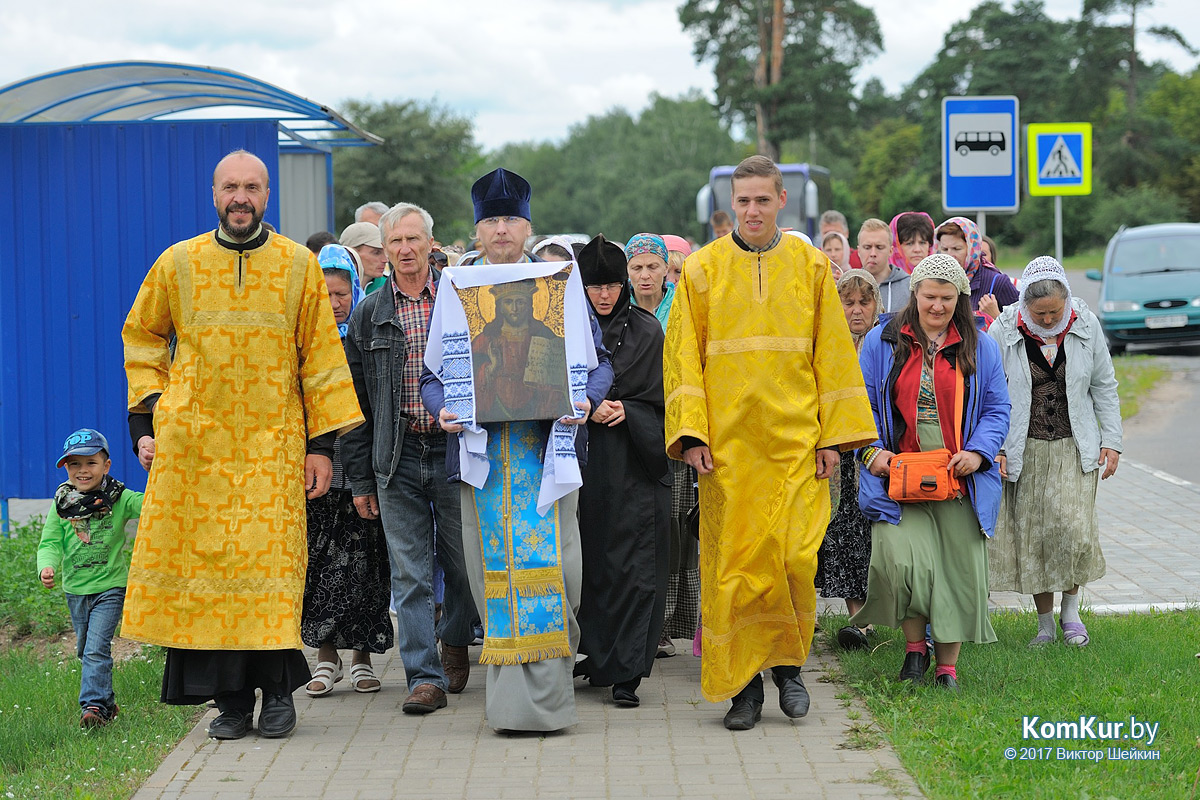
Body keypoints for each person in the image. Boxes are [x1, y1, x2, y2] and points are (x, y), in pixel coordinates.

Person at [121, 149, 363, 740]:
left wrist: (322, 447)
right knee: (208, 576)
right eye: (231, 187)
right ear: (213, 195)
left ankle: (277, 696)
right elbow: (142, 335)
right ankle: (228, 702)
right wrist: (150, 418)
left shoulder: (298, 266)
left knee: (271, 574)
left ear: (266, 195)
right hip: (197, 454)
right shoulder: (177, 263)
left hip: (272, 448)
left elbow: (321, 358)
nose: (241, 197)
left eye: (252, 187)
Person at [664, 156, 877, 730]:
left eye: (763, 199)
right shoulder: (701, 271)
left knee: (792, 560)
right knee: (737, 569)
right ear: (732, 204)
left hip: (797, 446)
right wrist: (691, 435)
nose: (753, 210)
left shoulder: (810, 265)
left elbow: (832, 352)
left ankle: (789, 669)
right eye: (744, 200)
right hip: (728, 453)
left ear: (782, 201)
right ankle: (745, 690)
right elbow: (682, 357)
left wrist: (834, 438)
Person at [421, 167, 613, 733]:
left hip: (546, 455)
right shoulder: (457, 290)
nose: (501, 229)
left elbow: (597, 365)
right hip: (481, 459)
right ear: (477, 230)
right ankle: (509, 707)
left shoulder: (559, 285)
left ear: (527, 225)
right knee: (490, 576)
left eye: (510, 218)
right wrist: (441, 410)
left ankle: (553, 697)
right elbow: (436, 375)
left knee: (561, 573)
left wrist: (583, 400)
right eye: (491, 220)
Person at [342, 203, 477, 714]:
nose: (404, 250)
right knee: (410, 574)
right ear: (384, 247)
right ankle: (424, 676)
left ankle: (456, 638)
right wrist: (360, 481)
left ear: (430, 242)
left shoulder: (460, 299)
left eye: (413, 240)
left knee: (464, 566)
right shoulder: (368, 313)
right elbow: (353, 405)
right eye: (394, 241)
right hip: (395, 458)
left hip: (455, 451)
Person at [854, 254, 1010, 690]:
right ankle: (913, 649)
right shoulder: (880, 342)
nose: (937, 306)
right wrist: (871, 454)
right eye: (929, 297)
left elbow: (998, 409)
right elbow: (859, 404)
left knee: (956, 573)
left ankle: (946, 669)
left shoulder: (982, 346)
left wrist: (979, 453)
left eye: (946, 298)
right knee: (903, 564)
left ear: (959, 299)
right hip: (898, 478)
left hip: (959, 481)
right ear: (914, 295)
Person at [988, 257, 1122, 647]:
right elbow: (991, 394)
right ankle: (1044, 623)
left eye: (1054, 312)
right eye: (1040, 313)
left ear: (1067, 301)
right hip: (1023, 447)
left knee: (1073, 531)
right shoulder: (1003, 330)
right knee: (1034, 538)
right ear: (1025, 306)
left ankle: (1071, 614)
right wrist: (995, 448)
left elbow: (1104, 386)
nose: (1048, 320)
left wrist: (1111, 440)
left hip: (1073, 445)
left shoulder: (1086, 324)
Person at [574, 234, 670, 707]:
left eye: (612, 284)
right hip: (584, 466)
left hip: (634, 464)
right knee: (591, 566)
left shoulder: (649, 331)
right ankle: (596, 657)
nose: (605, 295)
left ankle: (628, 672)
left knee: (634, 566)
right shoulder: (569, 330)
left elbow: (668, 402)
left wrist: (628, 411)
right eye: (595, 286)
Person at [301, 245, 394, 697]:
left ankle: (362, 657)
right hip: (315, 472)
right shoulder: (303, 339)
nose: (335, 302)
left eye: (341, 292)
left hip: (363, 469)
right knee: (318, 565)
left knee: (366, 564)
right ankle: (324, 657)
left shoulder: (362, 332)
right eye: (326, 292)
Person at [37, 429, 144, 728]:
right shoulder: (61, 505)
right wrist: (47, 567)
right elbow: (49, 543)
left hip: (110, 586)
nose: (83, 471)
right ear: (67, 468)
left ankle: (93, 707)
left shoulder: (119, 499)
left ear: (106, 465)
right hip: (75, 589)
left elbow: (151, 505)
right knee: (86, 650)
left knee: (97, 648)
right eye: (75, 465)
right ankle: (108, 703)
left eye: (91, 463)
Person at [815, 271, 882, 651]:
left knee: (873, 535)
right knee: (842, 535)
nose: (856, 311)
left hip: (874, 453)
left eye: (864, 302)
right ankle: (859, 621)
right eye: (848, 302)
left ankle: (874, 616)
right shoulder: (828, 343)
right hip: (836, 457)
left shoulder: (886, 342)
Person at [935, 217, 1018, 315]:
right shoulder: (933, 279)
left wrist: (996, 316)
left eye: (957, 249)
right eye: (944, 249)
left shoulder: (997, 281)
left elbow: (1022, 325)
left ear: (972, 249)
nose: (949, 255)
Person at [857, 218, 910, 313]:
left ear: (890, 251)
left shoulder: (909, 287)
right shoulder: (848, 287)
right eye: (867, 247)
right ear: (859, 251)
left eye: (879, 247)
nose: (873, 253)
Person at [625, 232, 675, 330]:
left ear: (666, 269)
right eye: (637, 268)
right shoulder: (618, 309)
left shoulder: (681, 306)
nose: (644, 276)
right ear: (627, 270)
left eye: (652, 267)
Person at [341, 221, 389, 294]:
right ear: (351, 254)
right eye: (376, 253)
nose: (385, 260)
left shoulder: (389, 287)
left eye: (385, 252)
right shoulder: (328, 286)